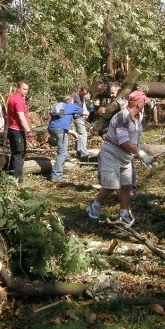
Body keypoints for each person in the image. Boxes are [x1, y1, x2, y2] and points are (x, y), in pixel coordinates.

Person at [86, 90, 151, 226]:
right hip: (111, 156)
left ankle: (124, 214)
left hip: (125, 159)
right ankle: (94, 206)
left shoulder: (136, 120)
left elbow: (134, 142)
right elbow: (123, 141)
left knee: (126, 187)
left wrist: (138, 155)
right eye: (144, 102)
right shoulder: (122, 117)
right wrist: (141, 154)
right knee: (111, 186)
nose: (145, 104)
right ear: (139, 103)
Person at [48, 95, 89, 184]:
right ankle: (56, 176)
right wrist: (82, 109)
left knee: (64, 142)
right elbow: (86, 113)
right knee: (61, 152)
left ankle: (66, 158)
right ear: (71, 101)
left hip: (51, 128)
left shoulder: (58, 105)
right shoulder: (72, 106)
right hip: (60, 130)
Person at [6, 81, 33, 182]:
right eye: (24, 89)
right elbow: (21, 117)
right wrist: (29, 131)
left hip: (12, 129)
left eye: (27, 89)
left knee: (15, 153)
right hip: (17, 129)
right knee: (19, 154)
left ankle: (10, 175)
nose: (26, 91)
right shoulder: (18, 100)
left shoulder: (13, 97)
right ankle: (18, 179)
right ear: (18, 88)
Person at [71, 86, 91, 160]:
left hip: (81, 117)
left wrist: (85, 112)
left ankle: (78, 150)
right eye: (83, 93)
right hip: (77, 117)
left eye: (85, 94)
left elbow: (83, 106)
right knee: (83, 133)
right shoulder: (74, 96)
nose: (84, 95)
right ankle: (83, 152)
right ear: (80, 90)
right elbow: (71, 106)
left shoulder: (82, 97)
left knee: (79, 134)